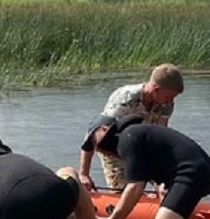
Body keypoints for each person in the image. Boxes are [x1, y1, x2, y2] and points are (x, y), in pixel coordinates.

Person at [84, 115, 210, 219]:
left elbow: (135, 187)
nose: (96, 149)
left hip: (191, 173)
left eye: (93, 142)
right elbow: (156, 163)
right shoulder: (134, 135)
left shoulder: (127, 138)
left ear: (104, 128)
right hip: (195, 172)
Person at [78, 63, 184, 191]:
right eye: (169, 97)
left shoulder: (166, 104)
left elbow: (161, 136)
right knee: (124, 188)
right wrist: (84, 174)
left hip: (142, 145)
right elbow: (94, 133)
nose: (170, 101)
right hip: (113, 145)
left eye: (173, 97)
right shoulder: (125, 99)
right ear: (155, 89)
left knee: (166, 182)